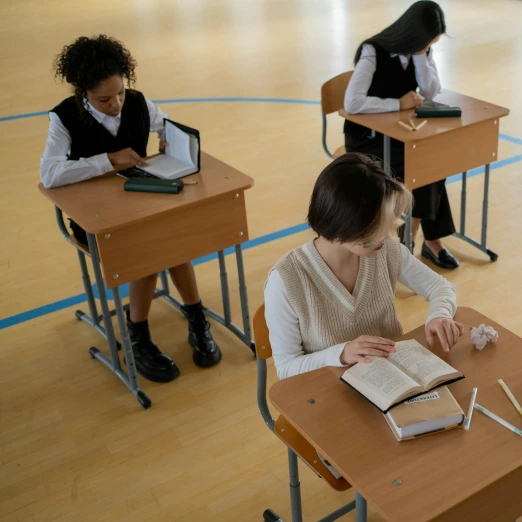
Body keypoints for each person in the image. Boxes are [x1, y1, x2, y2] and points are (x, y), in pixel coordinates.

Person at [41, 35, 221, 382]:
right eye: (104, 99)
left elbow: (166, 125)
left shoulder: (137, 102)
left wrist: (169, 139)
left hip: (142, 201)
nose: (117, 104)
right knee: (152, 249)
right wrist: (106, 160)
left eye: (121, 92)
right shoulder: (64, 118)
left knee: (173, 241)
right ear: (83, 94)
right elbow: (49, 175)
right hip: (95, 218)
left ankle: (196, 317)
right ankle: (138, 333)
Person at [264, 153, 462, 379]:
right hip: (328, 393)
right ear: (350, 225)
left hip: (390, 381)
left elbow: (441, 287)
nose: (389, 235)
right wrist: (342, 353)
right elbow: (287, 368)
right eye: (380, 228)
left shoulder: (384, 250)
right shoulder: (286, 279)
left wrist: (439, 314)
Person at [343, 0, 459, 270]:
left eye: (431, 44)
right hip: (368, 138)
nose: (429, 48)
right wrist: (398, 104)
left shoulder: (420, 51)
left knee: (434, 159)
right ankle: (420, 241)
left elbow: (431, 91)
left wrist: (421, 56)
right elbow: (353, 103)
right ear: (412, 34)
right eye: (426, 42)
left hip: (398, 134)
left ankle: (417, 237)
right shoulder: (373, 50)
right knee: (426, 165)